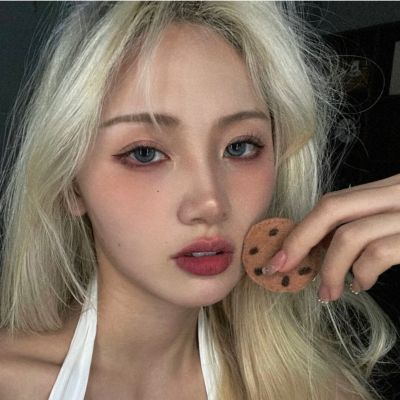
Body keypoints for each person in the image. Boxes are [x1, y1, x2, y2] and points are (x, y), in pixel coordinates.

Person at [0, 2, 398, 399]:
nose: (210, 203)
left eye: (240, 147)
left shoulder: (317, 390)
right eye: (145, 153)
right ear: (71, 184)